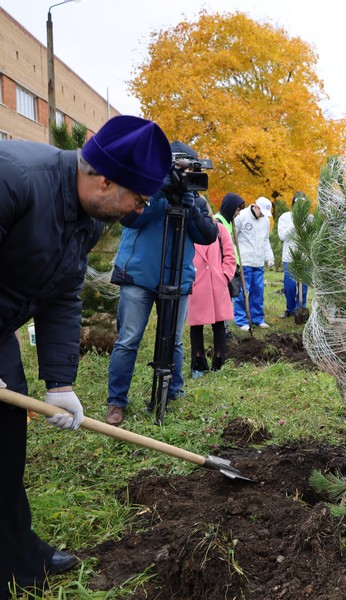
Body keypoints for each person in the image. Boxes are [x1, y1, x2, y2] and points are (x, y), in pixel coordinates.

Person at [0, 115, 171, 597]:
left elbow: (62, 295)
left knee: (7, 452)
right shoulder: (14, 178)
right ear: (105, 178)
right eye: (138, 198)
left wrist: (60, 383)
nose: (140, 210)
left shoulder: (90, 217)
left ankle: (17, 556)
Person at [105, 141, 218, 427]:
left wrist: (190, 207)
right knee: (129, 339)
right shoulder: (143, 189)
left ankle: (174, 393)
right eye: (179, 168)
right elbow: (129, 220)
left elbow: (208, 236)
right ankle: (116, 402)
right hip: (139, 277)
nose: (185, 174)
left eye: (189, 168)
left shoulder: (196, 198)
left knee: (174, 341)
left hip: (177, 278)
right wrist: (156, 192)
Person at [187, 207, 237, 377]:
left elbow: (230, 255)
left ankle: (219, 361)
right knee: (196, 325)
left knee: (219, 323)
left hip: (217, 283)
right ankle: (198, 363)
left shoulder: (219, 229)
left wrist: (224, 275)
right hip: (196, 283)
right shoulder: (189, 229)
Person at [233, 197, 275, 331]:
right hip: (244, 261)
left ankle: (257, 318)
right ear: (255, 207)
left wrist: (269, 257)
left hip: (258, 262)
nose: (263, 215)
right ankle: (241, 320)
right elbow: (233, 238)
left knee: (258, 291)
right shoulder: (242, 217)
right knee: (243, 292)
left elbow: (265, 240)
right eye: (261, 212)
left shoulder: (265, 221)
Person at [277, 194, 307, 319]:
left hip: (304, 258)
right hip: (289, 258)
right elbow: (283, 236)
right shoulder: (285, 217)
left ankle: (300, 309)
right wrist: (296, 222)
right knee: (289, 287)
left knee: (303, 288)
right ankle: (289, 309)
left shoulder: (309, 218)